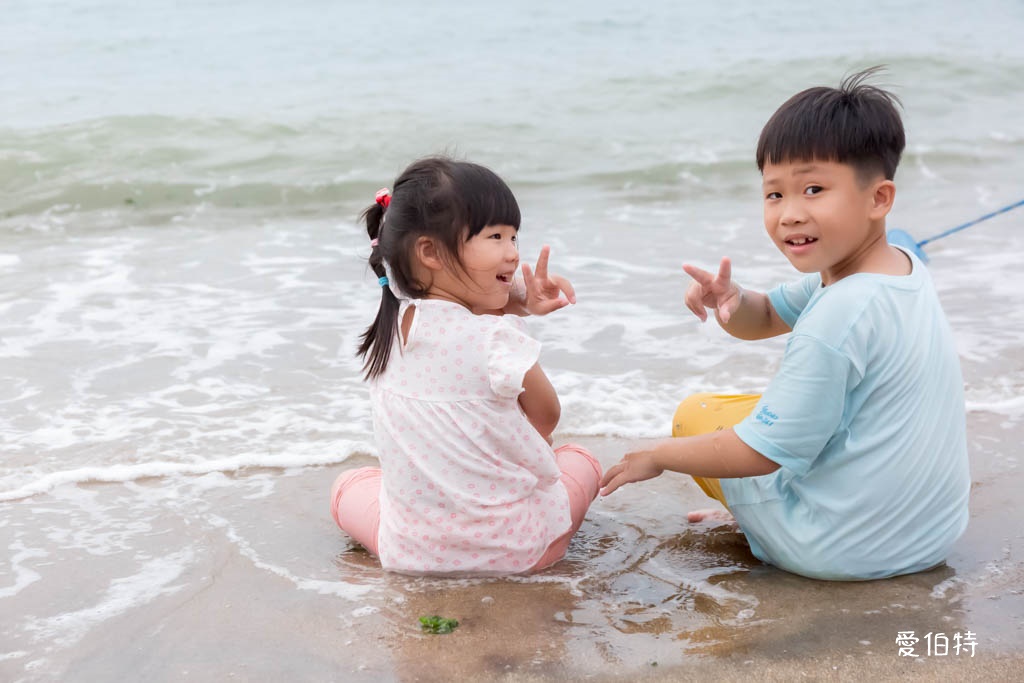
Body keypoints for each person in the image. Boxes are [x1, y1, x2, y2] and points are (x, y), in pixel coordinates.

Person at [599, 67, 970, 581]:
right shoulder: (900, 264)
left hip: (837, 549)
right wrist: (731, 299)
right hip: (927, 536)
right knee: (782, 411)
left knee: (697, 416)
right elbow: (769, 314)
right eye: (774, 194)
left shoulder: (839, 314)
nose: (789, 214)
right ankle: (775, 514)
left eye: (813, 189)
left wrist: (659, 456)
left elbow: (757, 453)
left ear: (878, 199)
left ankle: (770, 526)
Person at [331, 156, 602, 575]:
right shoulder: (496, 339)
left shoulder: (394, 325)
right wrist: (509, 450)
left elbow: (458, 314)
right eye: (495, 236)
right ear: (430, 251)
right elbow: (547, 417)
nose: (512, 254)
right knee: (580, 459)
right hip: (521, 553)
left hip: (413, 555)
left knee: (349, 485)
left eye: (514, 238)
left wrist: (523, 300)